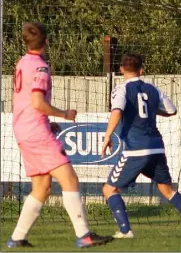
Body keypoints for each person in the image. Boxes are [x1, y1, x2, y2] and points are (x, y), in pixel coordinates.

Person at [6, 22, 113, 248]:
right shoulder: (41, 67)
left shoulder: (22, 63)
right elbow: (37, 101)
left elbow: (26, 101)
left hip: (24, 129)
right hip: (35, 131)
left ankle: (17, 238)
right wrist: (64, 114)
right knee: (69, 179)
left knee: (42, 187)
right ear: (46, 41)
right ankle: (84, 235)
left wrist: (47, 121)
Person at [101, 53, 181, 238]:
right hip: (156, 147)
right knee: (167, 189)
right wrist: (150, 111)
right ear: (142, 70)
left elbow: (117, 111)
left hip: (135, 149)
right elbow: (171, 110)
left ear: (121, 69)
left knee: (109, 189)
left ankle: (125, 231)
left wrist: (107, 136)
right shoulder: (153, 89)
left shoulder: (121, 89)